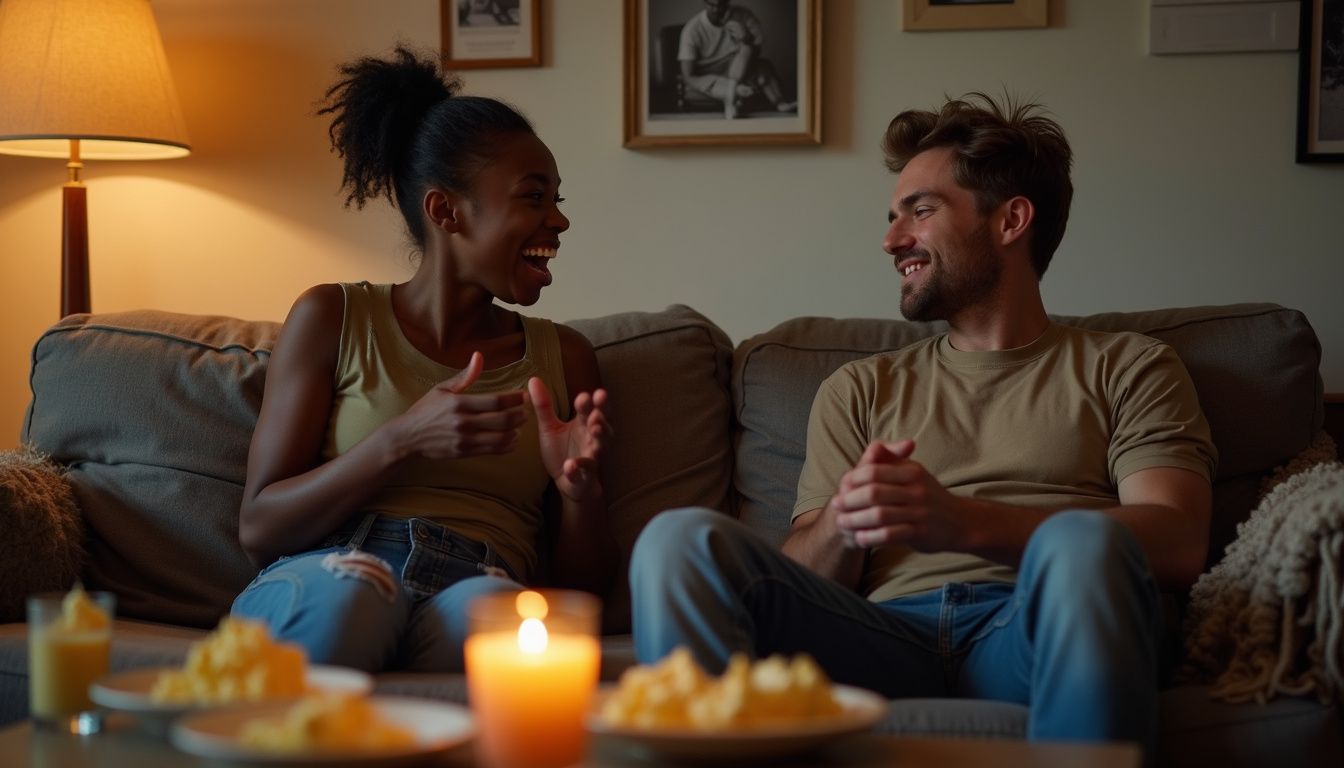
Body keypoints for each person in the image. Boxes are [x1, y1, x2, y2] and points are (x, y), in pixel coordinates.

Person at [629, 93, 1216, 761]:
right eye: (891, 216)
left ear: (1011, 220)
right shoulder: (860, 386)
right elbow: (804, 575)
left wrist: (960, 522)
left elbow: (1176, 540)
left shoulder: (1128, 365)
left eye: (921, 210)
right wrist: (843, 526)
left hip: (1029, 630)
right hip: (879, 637)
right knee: (678, 539)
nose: (891, 239)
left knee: (1086, 544)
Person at [231, 46, 615, 675]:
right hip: (332, 566)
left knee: (501, 621)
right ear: (446, 211)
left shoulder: (564, 357)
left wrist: (579, 492)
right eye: (534, 197)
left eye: (557, 198)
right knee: (355, 595)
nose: (560, 219)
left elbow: (585, 592)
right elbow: (260, 528)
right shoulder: (333, 317)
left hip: (479, 577)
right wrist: (401, 441)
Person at [678, 0, 797, 119]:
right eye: (711, 5)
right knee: (731, 83)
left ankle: (780, 103)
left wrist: (746, 37)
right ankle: (732, 93)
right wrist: (728, 86)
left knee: (763, 65)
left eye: (721, 5)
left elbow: (756, 52)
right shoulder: (692, 29)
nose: (716, 10)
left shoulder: (744, 15)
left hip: (739, 67)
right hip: (709, 73)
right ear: (705, 3)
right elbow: (688, 75)